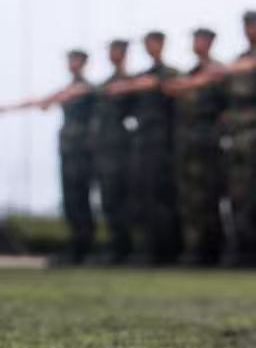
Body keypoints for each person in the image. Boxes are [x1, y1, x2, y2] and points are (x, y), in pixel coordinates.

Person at [0, 50, 97, 263]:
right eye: (70, 60)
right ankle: (77, 246)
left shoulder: (86, 87)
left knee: (80, 197)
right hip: (68, 149)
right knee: (70, 199)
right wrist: (8, 108)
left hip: (82, 150)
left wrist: (49, 101)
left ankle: (86, 246)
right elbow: (44, 101)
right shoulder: (69, 88)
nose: (71, 64)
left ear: (83, 63)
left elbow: (56, 99)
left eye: (75, 60)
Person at [115, 30, 182, 265]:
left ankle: (167, 249)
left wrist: (156, 84)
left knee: (162, 196)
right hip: (142, 144)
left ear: (162, 44)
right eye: (146, 43)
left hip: (163, 143)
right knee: (142, 196)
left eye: (152, 43)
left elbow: (178, 100)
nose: (149, 47)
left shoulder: (171, 74)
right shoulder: (139, 77)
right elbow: (124, 103)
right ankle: (147, 247)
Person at [220, 10, 256, 268]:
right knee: (238, 194)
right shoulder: (237, 63)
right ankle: (243, 246)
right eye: (246, 25)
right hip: (237, 137)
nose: (250, 29)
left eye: (254, 25)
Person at [167, 28, 229, 266]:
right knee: (190, 199)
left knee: (210, 195)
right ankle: (195, 248)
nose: (197, 43)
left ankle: (214, 249)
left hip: (208, 141)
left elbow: (226, 106)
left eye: (201, 39)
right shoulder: (188, 74)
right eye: (195, 39)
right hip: (187, 142)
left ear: (211, 42)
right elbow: (171, 90)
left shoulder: (219, 71)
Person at [90, 39, 136, 264]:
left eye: (116, 50)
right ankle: (116, 247)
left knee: (122, 198)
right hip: (104, 149)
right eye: (111, 50)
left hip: (121, 149)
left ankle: (127, 247)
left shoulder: (132, 83)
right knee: (108, 199)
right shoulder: (105, 85)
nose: (112, 54)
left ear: (124, 53)